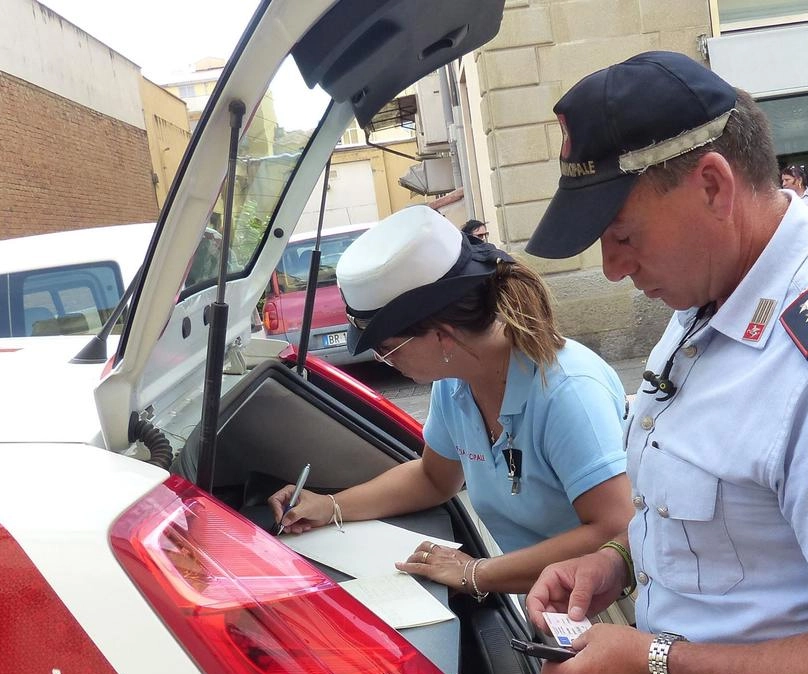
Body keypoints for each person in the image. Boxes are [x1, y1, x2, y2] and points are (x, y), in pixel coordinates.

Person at [522, 51, 808, 674]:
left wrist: (653, 659)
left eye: (623, 235)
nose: (612, 268)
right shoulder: (714, 294)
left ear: (713, 187)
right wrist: (621, 561)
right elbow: (737, 527)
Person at [269, 205, 633, 600]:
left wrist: (476, 573)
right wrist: (329, 506)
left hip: (602, 606)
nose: (383, 360)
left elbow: (614, 531)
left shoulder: (568, 392)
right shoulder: (455, 383)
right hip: (535, 597)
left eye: (389, 349)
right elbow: (433, 478)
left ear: (442, 336)